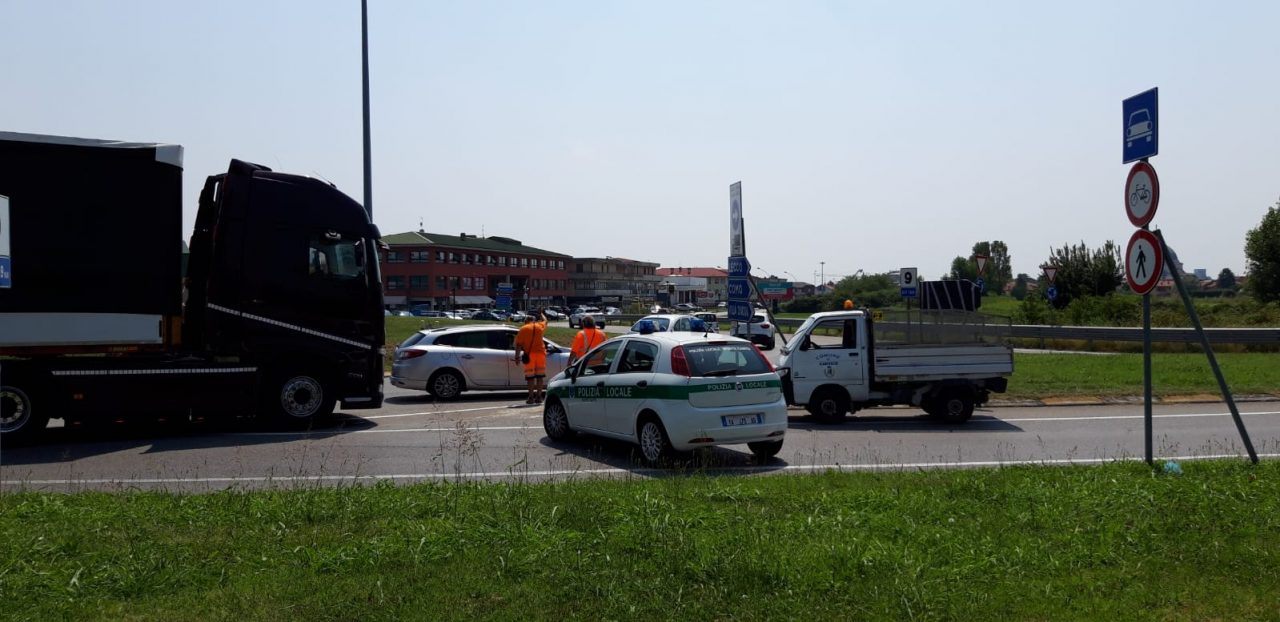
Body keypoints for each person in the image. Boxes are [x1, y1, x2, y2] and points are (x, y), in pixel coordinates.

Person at [514, 308, 549, 404]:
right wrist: (541, 313)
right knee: (540, 377)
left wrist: (517, 357)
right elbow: (546, 321)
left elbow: (518, 345)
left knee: (530, 378)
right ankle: (539, 397)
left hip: (529, 356)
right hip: (541, 355)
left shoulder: (523, 329)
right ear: (533, 321)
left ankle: (531, 397)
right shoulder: (539, 326)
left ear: (526, 321)